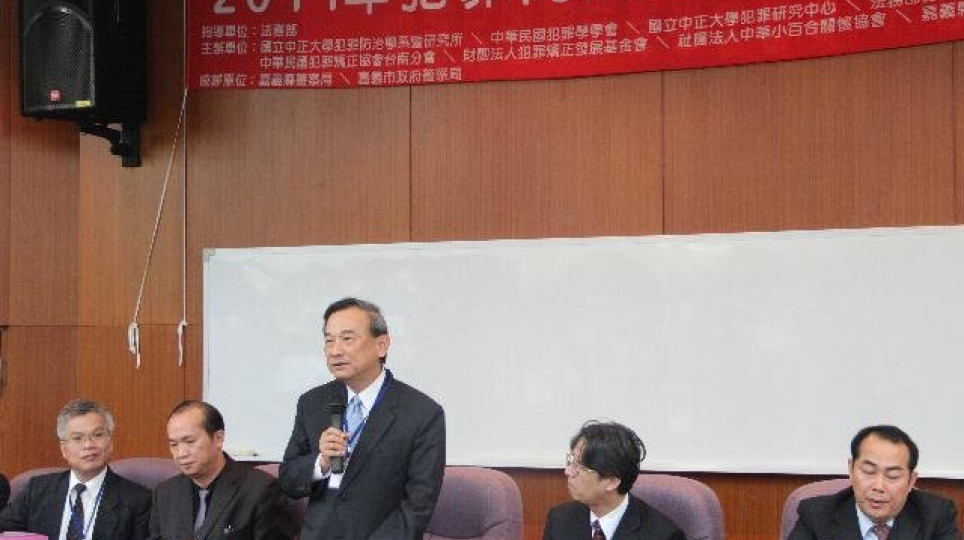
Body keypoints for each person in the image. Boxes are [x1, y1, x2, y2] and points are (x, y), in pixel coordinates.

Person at [279, 297, 446, 540]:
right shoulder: (312, 403)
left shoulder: (422, 413)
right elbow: (288, 480)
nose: (335, 350)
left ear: (381, 345)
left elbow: (417, 506)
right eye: (329, 340)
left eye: (347, 339)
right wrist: (321, 463)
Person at [0, 399, 151, 540]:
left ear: (110, 442)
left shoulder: (138, 500)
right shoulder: (37, 490)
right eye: (78, 438)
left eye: (97, 435)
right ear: (64, 449)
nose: (88, 445)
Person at [149, 401, 293, 540]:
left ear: (218, 438)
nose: (181, 453)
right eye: (174, 444)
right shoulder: (165, 493)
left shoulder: (261, 489)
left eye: (190, 441)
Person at [788, 424, 960, 540]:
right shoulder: (817, 516)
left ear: (911, 481)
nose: (878, 486)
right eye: (868, 472)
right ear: (851, 470)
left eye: (892, 476)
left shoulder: (935, 516)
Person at [543, 421, 685, 540]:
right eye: (571, 461)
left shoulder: (664, 536)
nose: (568, 471)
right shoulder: (560, 520)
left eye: (579, 467)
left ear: (612, 481)